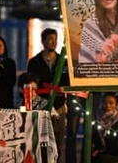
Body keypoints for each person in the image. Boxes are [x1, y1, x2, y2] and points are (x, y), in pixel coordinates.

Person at [27, 28, 68, 163]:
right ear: (43, 41)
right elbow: (31, 81)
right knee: (40, 140)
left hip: (59, 106)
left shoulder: (63, 62)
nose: (53, 42)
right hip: (41, 106)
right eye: (50, 39)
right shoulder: (34, 62)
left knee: (58, 140)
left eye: (55, 39)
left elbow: (67, 80)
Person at [91, 93, 118, 163]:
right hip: (102, 151)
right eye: (105, 102)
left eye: (111, 103)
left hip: (117, 154)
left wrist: (102, 152)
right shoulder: (98, 117)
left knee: (101, 159)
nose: (107, 105)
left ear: (116, 104)